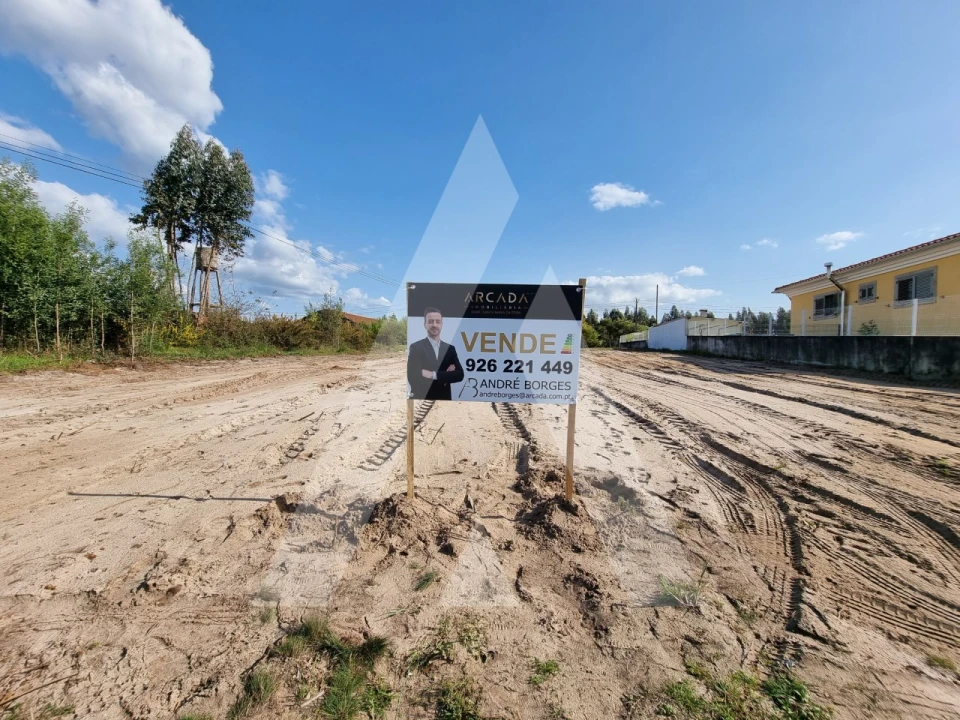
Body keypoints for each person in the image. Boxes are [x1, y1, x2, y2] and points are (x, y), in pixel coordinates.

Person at [407, 307, 464, 400]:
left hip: (445, 400)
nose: (434, 325)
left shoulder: (450, 349)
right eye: (430, 321)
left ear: (441, 324)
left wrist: (433, 375)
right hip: (422, 398)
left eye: (438, 321)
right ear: (424, 324)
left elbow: (460, 375)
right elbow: (414, 378)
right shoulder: (416, 347)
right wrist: (446, 377)